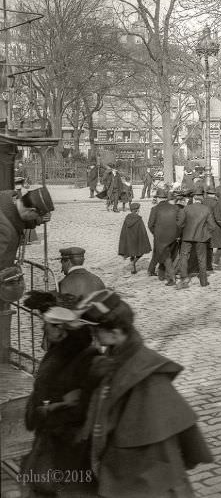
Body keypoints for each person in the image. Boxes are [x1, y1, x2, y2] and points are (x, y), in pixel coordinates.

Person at [77, 291, 213, 497]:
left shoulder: (144, 372)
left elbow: (165, 431)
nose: (93, 335)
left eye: (96, 331)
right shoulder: (114, 357)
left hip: (147, 474)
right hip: (126, 471)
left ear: (115, 333)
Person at [21, 304, 99, 497]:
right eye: (48, 325)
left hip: (69, 445)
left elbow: (83, 406)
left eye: (50, 325)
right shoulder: (58, 351)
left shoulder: (85, 357)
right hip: (51, 439)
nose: (45, 330)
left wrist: (49, 411)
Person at [1, 186, 54, 363]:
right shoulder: (6, 233)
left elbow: (16, 215)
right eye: (36, 216)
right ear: (31, 210)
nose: (36, 220)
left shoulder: (6, 198)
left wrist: (34, 221)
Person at [177, 188, 215, 288]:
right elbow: (212, 226)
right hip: (201, 238)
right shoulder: (206, 209)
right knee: (202, 259)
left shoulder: (186, 208)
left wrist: (182, 233)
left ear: (194, 198)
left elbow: (180, 224)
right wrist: (206, 234)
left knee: (184, 257)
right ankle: (203, 281)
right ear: (201, 198)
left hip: (186, 237)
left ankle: (184, 278)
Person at [147, 188, 185, 285]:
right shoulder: (175, 208)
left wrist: (155, 233)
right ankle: (161, 274)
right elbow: (181, 222)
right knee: (168, 255)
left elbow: (150, 224)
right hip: (173, 236)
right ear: (165, 198)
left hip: (160, 237)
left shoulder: (155, 209)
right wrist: (177, 233)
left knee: (166, 257)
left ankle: (172, 278)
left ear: (158, 198)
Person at [117, 203, 151, 274]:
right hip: (137, 239)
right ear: (137, 210)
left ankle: (133, 269)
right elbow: (142, 230)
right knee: (141, 252)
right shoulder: (138, 219)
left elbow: (124, 230)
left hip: (129, 239)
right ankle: (134, 263)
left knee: (132, 253)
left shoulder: (127, 218)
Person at [203, 185, 221, 272]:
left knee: (209, 246)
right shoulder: (215, 203)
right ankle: (216, 262)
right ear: (214, 194)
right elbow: (218, 218)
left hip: (205, 226)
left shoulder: (203, 201)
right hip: (215, 227)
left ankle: (208, 264)